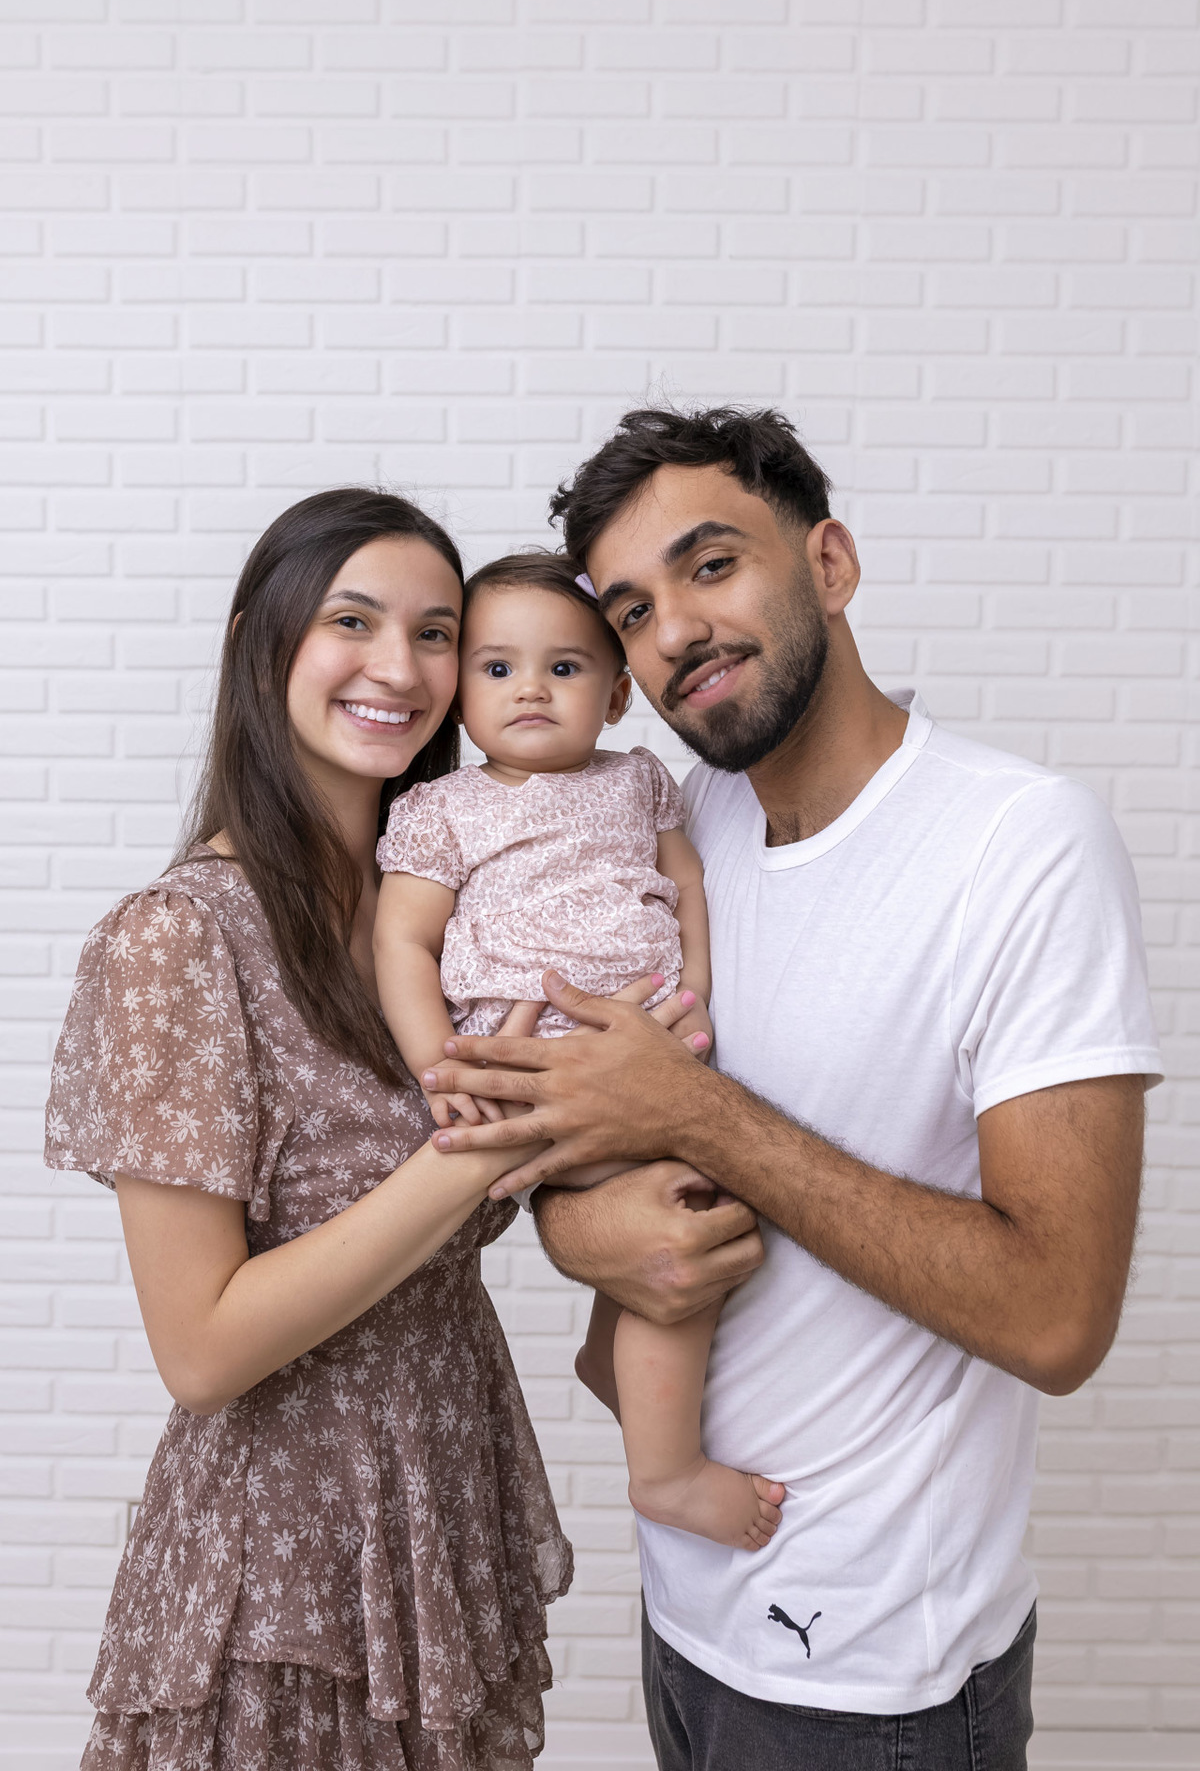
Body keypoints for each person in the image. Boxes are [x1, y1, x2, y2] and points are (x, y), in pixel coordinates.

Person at [419, 408, 1164, 1771]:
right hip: (688, 1608)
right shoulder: (664, 824)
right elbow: (589, 1138)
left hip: (878, 1667)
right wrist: (580, 1220)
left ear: (829, 562)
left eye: (713, 567)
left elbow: (1059, 1318)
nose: (676, 631)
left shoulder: (1020, 844)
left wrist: (693, 1118)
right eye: (634, 609)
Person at [44, 490, 574, 1771]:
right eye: (353, 621)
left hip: (443, 1497)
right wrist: (480, 1152)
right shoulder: (180, 941)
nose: (400, 667)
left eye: (438, 632)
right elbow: (203, 1348)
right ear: (258, 643)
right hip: (284, 1560)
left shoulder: (449, 915)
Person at [373, 552, 783, 1553]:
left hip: (646, 1044)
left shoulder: (640, 781)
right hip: (533, 1068)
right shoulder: (444, 810)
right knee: (686, 1212)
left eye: (565, 668)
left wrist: (694, 1002)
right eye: (498, 667)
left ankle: (615, 1352)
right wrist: (447, 1071)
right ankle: (669, 1471)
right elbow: (403, 942)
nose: (529, 690)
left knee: (674, 1221)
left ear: (613, 697)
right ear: (460, 691)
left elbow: (685, 887)